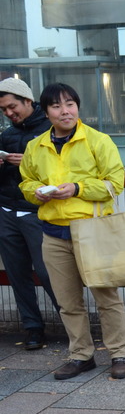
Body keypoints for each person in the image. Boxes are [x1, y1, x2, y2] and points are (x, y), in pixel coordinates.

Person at [19, 83, 125, 380]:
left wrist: (77, 188)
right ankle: (81, 355)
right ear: (46, 112)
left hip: (91, 231)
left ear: (78, 107)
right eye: (56, 106)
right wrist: (36, 192)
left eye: (70, 104)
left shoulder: (98, 140)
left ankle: (120, 353)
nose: (65, 111)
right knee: (68, 302)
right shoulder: (35, 146)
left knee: (106, 297)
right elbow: (26, 182)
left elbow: (115, 183)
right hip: (53, 233)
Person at [0, 78, 59, 349]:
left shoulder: (51, 129)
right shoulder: (7, 135)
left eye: (12, 107)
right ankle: (32, 327)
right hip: (7, 210)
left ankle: (73, 325)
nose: (9, 113)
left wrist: (30, 162)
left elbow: (65, 170)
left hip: (38, 212)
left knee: (49, 273)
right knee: (17, 273)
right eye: (4, 110)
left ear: (28, 100)